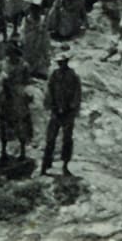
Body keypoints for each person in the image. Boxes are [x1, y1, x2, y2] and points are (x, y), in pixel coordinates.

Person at [42, 46, 81, 176]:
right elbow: (49, 91)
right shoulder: (54, 75)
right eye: (59, 62)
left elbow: (77, 94)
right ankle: (46, 164)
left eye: (62, 62)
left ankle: (65, 164)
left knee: (67, 139)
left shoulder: (73, 76)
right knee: (50, 138)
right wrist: (52, 105)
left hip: (68, 112)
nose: (61, 64)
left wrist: (72, 107)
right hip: (56, 111)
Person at [0, 43, 33, 162]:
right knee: (3, 123)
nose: (11, 56)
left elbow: (27, 81)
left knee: (20, 122)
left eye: (13, 54)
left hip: (18, 97)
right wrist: (1, 80)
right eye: (9, 54)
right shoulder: (2, 65)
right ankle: (3, 150)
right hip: (5, 96)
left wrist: (25, 93)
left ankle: (22, 150)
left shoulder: (24, 65)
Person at [22, 0, 51, 79]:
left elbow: (46, 38)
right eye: (34, 10)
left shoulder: (42, 20)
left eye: (37, 10)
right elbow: (24, 36)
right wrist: (35, 31)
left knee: (42, 71)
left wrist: (42, 31)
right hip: (30, 50)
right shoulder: (26, 20)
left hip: (40, 50)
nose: (36, 12)